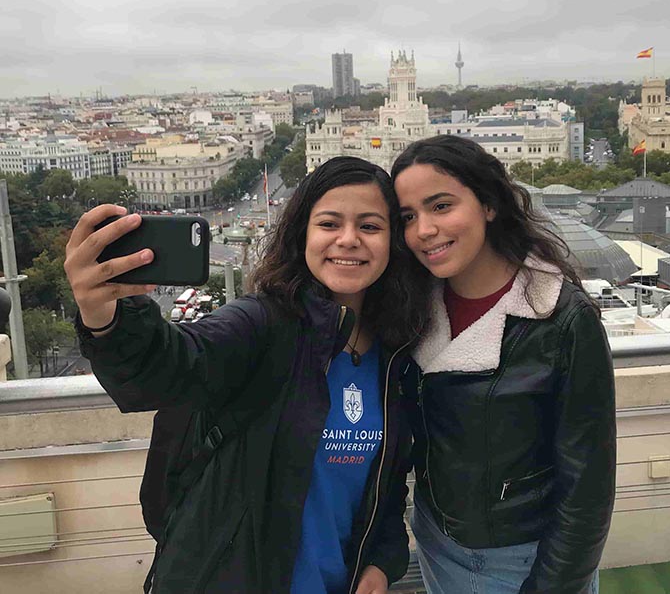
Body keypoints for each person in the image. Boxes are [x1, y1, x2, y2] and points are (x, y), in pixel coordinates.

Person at [64, 157, 427, 594]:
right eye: (329, 223)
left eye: (370, 227)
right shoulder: (264, 323)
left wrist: (381, 562)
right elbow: (169, 366)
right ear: (303, 235)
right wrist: (103, 313)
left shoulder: (397, 352)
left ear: (393, 242)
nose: (348, 240)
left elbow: (386, 487)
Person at [391, 135, 616, 594]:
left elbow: (587, 485)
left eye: (440, 206)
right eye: (408, 217)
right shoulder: (411, 309)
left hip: (526, 557)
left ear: (489, 204)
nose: (424, 230)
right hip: (438, 539)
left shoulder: (560, 317)